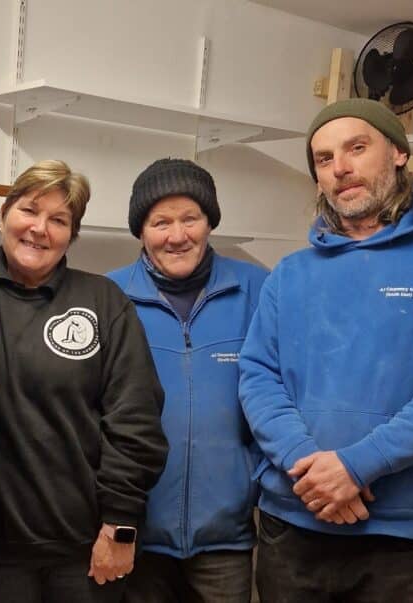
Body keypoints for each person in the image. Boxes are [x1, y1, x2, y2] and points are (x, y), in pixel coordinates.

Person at [239, 98, 413, 602]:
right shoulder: (290, 273)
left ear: (397, 153)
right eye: (324, 159)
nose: (341, 168)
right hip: (292, 524)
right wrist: (308, 464)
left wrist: (357, 466)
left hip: (397, 537)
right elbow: (258, 377)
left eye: (356, 148)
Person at [0, 160, 168, 603]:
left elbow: (135, 419)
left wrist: (121, 524)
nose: (39, 229)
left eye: (59, 220)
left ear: (72, 236)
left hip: (86, 551)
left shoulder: (102, 301)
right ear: (3, 215)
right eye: (29, 210)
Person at [106, 158, 267, 603]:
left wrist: (251, 482)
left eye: (190, 219)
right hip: (134, 536)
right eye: (161, 222)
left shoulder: (257, 289)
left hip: (227, 539)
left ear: (209, 222)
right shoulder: (107, 298)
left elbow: (283, 396)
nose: (177, 236)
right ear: (141, 230)